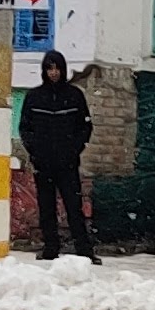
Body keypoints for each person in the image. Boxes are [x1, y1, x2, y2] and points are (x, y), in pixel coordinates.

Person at [19, 49, 95, 260]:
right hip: (43, 164)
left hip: (68, 164)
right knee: (46, 208)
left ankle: (84, 250)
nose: (53, 73)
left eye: (57, 68)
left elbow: (85, 127)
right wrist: (35, 152)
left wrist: (74, 149)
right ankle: (50, 248)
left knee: (74, 207)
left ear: (63, 69)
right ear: (44, 71)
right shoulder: (34, 97)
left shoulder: (74, 96)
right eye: (49, 68)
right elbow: (25, 128)